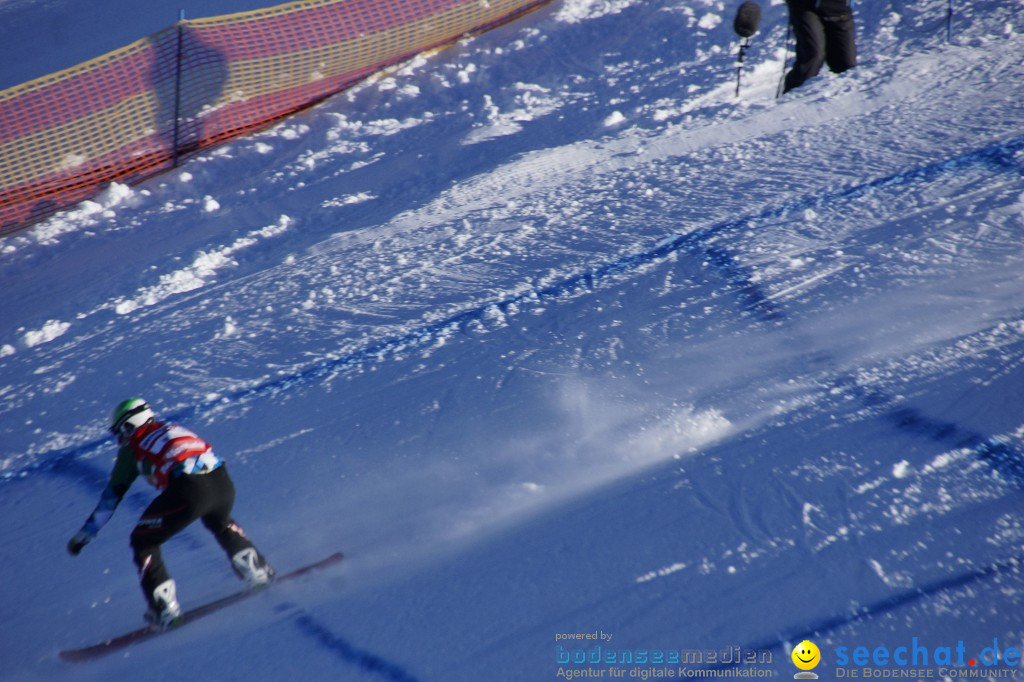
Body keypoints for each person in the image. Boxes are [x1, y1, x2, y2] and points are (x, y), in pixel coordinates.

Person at [68, 398, 274, 628]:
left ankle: (164, 609)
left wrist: (84, 535)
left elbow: (110, 499)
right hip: (223, 483)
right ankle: (256, 569)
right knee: (220, 520)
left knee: (143, 541)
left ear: (130, 425)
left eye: (121, 431)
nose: (120, 439)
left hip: (189, 490)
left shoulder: (133, 448)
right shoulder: (173, 427)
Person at [783, 0, 857, 93]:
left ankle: (840, 103)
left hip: (841, 11)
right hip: (806, 6)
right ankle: (791, 99)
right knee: (813, 56)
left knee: (846, 65)